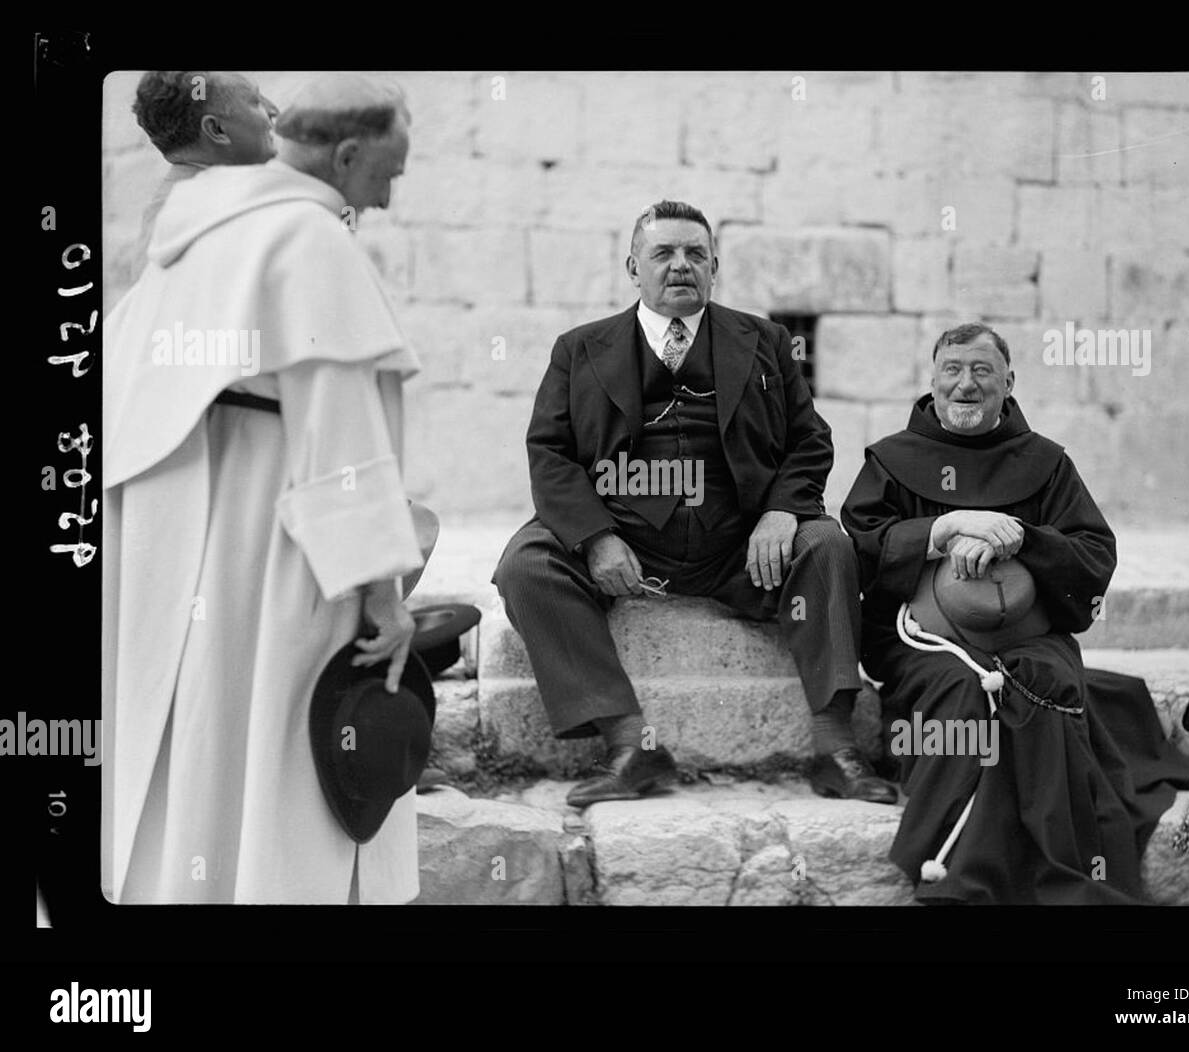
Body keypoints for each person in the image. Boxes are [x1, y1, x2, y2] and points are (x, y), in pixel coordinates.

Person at [102, 75, 425, 904]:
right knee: (280, 734)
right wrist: (382, 593)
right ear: (347, 156)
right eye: (387, 172)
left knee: (201, 730)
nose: (388, 194)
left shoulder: (190, 229)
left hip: (182, 516)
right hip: (272, 524)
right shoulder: (307, 239)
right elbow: (340, 430)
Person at [493, 200, 893, 808]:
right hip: (628, 535)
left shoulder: (766, 341)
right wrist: (597, 537)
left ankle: (835, 748)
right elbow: (549, 452)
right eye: (663, 253)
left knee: (828, 544)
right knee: (527, 565)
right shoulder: (579, 349)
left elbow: (810, 440)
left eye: (694, 254)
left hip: (741, 542)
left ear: (714, 267)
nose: (680, 265)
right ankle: (629, 746)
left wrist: (782, 512)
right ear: (633, 266)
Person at [840, 322, 1189, 905]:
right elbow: (863, 543)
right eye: (952, 370)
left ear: (1009, 382)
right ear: (932, 379)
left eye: (982, 372)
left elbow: (1094, 553)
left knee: (1039, 686)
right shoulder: (894, 459)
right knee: (962, 692)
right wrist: (943, 529)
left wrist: (1021, 539)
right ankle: (956, 864)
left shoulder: (1045, 463)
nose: (966, 386)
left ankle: (1059, 871)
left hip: (1031, 637)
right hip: (922, 638)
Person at [127, 71, 280, 284]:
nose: (274, 110)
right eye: (255, 101)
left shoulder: (196, 202)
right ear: (217, 129)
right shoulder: (194, 215)